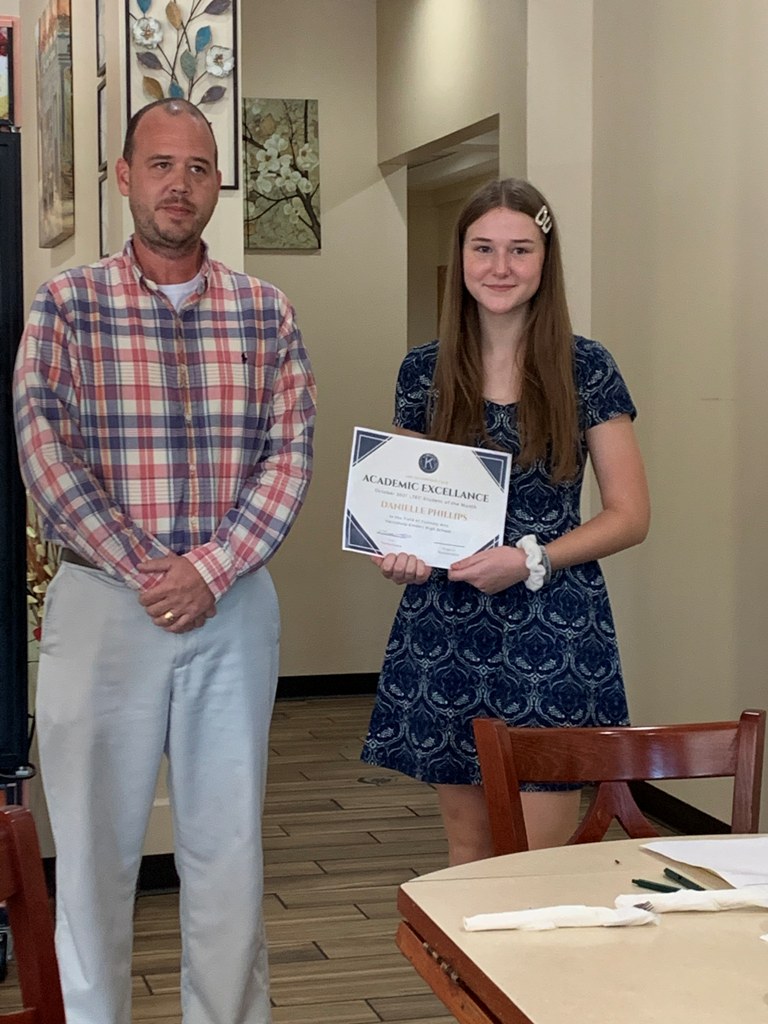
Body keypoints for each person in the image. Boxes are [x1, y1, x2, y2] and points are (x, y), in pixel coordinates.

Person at [13, 98, 316, 1024]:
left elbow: (289, 455)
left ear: (219, 184)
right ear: (124, 177)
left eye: (198, 167)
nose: (179, 184)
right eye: (160, 165)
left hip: (233, 608)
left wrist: (211, 571)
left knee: (228, 851)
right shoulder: (66, 304)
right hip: (104, 605)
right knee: (92, 856)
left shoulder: (265, 312)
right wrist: (151, 569)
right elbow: (43, 446)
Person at [361, 178, 649, 866]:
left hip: (553, 625)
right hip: (446, 628)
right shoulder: (423, 371)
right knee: (468, 850)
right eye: (483, 248)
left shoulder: (586, 367)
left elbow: (630, 515)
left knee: (534, 860)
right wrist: (400, 554)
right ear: (461, 256)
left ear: (545, 260)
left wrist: (530, 559)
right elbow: (404, 508)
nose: (499, 266)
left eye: (520, 249)